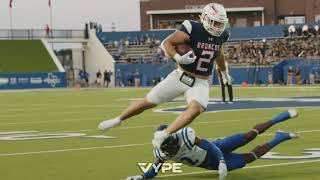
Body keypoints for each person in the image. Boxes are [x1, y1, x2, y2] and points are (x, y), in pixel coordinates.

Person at [98, 3, 231, 150]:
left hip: (201, 81)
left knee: (195, 110)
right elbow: (166, 43)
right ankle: (118, 119)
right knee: (148, 101)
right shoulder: (192, 27)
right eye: (215, 22)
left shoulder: (222, 35)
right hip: (180, 76)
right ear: (205, 18)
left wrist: (225, 74)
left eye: (220, 23)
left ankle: (164, 134)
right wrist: (178, 58)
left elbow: (219, 54)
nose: (218, 26)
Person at [127, 109, 299, 180]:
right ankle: (280, 137)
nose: (172, 149)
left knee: (249, 135)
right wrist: (141, 177)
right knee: (249, 158)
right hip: (209, 163)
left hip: (217, 148)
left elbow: (208, 146)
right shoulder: (161, 152)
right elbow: (155, 170)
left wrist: (222, 161)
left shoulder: (185, 135)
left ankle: (281, 116)